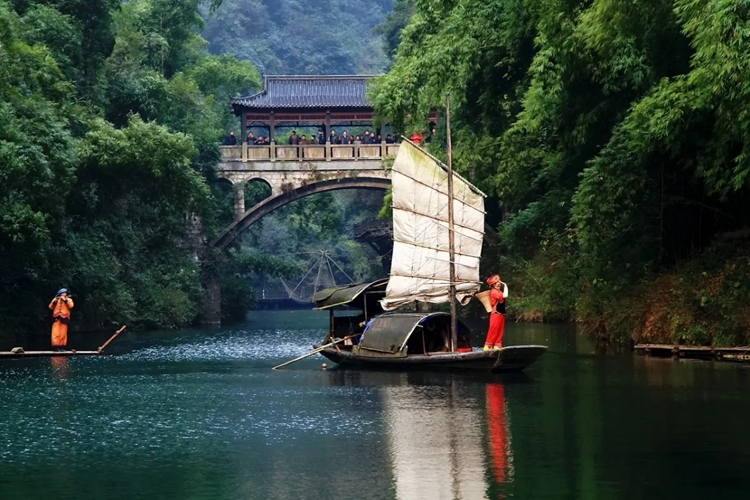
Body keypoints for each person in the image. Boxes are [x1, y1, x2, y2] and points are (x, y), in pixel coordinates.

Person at [483, 274, 508, 350]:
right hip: (496, 314)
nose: (499, 283)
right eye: (497, 282)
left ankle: (497, 345)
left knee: (500, 330)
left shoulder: (498, 291)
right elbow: (505, 295)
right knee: (494, 329)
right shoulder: (494, 292)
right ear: (493, 284)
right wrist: (505, 285)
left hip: (501, 313)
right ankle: (488, 346)